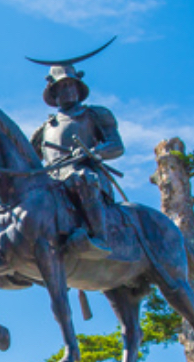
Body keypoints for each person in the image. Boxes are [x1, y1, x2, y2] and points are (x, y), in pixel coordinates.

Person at [30, 63, 124, 259]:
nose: (68, 90)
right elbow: (29, 160)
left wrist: (92, 152)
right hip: (53, 180)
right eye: (62, 86)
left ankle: (99, 237)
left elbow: (116, 146)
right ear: (54, 92)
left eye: (71, 85)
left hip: (84, 175)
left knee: (83, 178)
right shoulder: (45, 128)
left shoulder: (95, 115)